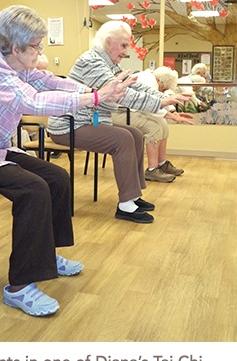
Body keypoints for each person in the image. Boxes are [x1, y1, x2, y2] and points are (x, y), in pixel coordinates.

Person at [0, 5, 128, 317]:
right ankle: (19, 286)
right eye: (36, 46)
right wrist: (94, 99)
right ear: (15, 47)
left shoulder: (13, 61)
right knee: (34, 189)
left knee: (57, 178)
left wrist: (95, 91)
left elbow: (46, 80)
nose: (40, 51)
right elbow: (31, 100)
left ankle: (46, 255)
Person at [48, 21, 193, 222]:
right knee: (122, 138)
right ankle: (125, 205)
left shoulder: (109, 63)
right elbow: (122, 95)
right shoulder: (92, 62)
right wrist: (160, 101)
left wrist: (166, 99)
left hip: (90, 122)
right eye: (123, 45)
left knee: (135, 134)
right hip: (68, 126)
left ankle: (133, 196)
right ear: (109, 42)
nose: (126, 52)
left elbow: (136, 88)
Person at [113, 66, 193, 182]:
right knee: (154, 127)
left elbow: (158, 98)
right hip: (121, 113)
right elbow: (148, 106)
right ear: (161, 81)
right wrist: (170, 115)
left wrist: (173, 112)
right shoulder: (147, 80)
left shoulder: (152, 79)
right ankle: (152, 169)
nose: (163, 91)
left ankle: (162, 163)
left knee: (163, 125)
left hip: (134, 111)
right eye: (164, 88)